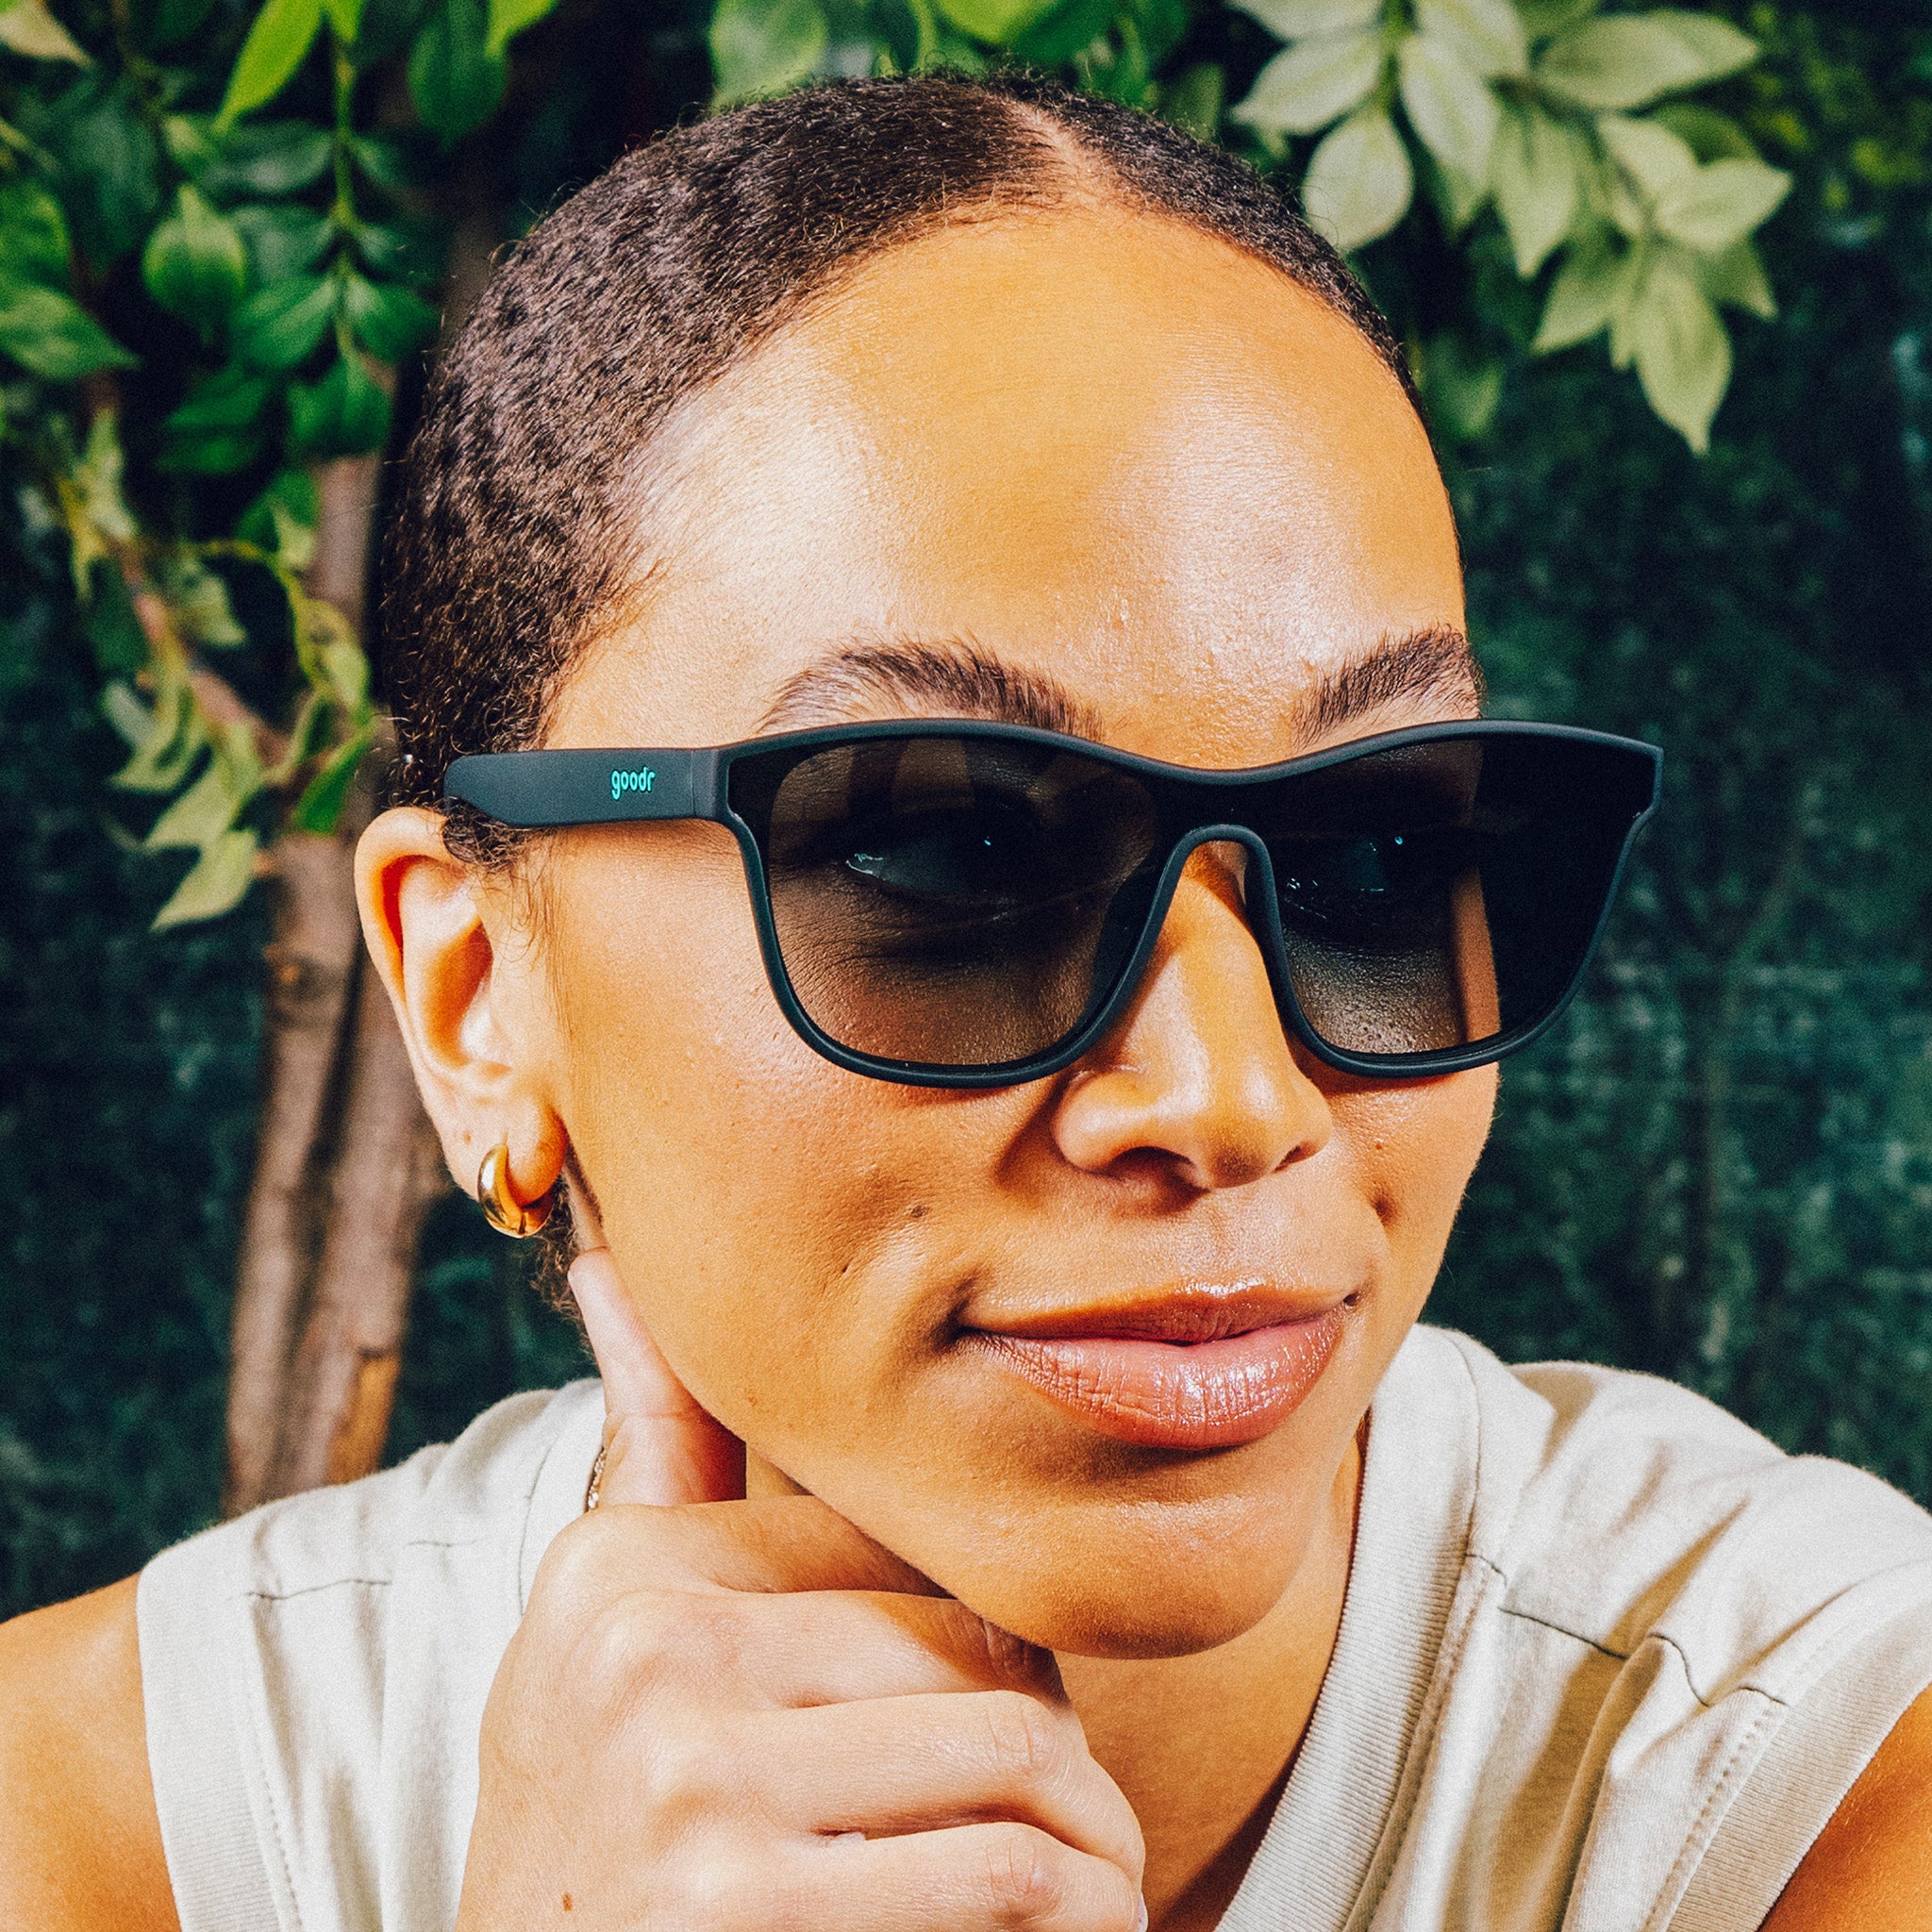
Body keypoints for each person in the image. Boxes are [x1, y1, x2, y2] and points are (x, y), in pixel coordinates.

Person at [3, 72, 1930, 1932]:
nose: (1228, 1096)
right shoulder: (87, 1835)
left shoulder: (1822, 1771)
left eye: (1374, 851)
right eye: (944, 854)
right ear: (475, 991)